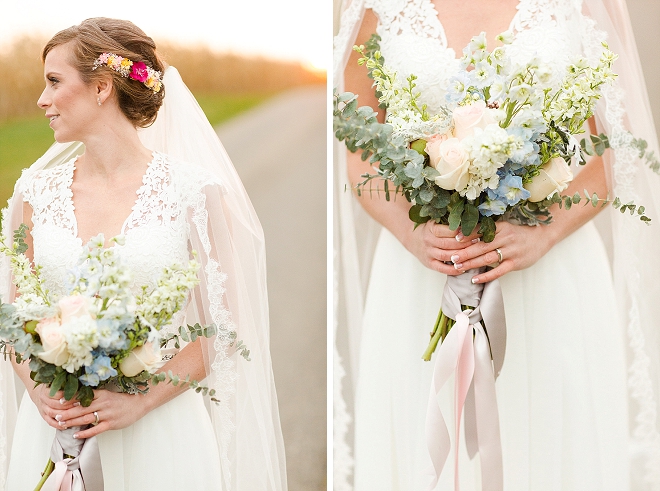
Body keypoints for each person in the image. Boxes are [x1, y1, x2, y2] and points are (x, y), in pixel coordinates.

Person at [333, 0, 660, 489]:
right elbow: (358, 149)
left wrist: (544, 229)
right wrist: (411, 229)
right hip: (423, 271)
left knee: (552, 445)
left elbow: (621, 143)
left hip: (551, 271)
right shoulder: (378, 8)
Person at [0, 17, 287, 490]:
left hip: (161, 432)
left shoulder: (194, 192)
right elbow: (13, 315)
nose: (42, 99)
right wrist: (41, 393)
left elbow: (226, 324)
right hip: (54, 423)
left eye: (54, 81)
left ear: (101, 88)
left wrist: (139, 400)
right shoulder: (33, 193)